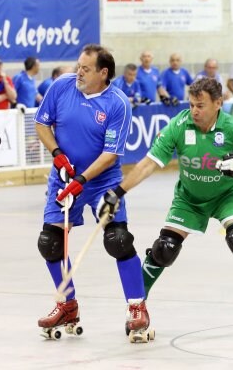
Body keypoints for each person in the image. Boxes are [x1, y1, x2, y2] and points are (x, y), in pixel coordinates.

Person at [97, 78, 233, 340]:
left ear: (218, 104)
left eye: (201, 105)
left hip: (226, 196)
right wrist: (118, 192)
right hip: (189, 199)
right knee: (164, 249)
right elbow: (148, 164)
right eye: (191, 104)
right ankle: (137, 307)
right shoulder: (179, 125)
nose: (194, 111)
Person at [34, 44, 151, 340]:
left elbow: (111, 155)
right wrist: (57, 154)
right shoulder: (62, 87)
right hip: (64, 176)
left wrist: (83, 179)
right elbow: (41, 123)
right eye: (78, 66)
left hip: (101, 179)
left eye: (85, 69)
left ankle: (137, 307)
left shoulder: (117, 103)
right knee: (50, 242)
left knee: (118, 239)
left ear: (103, 72)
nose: (79, 73)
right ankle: (67, 305)